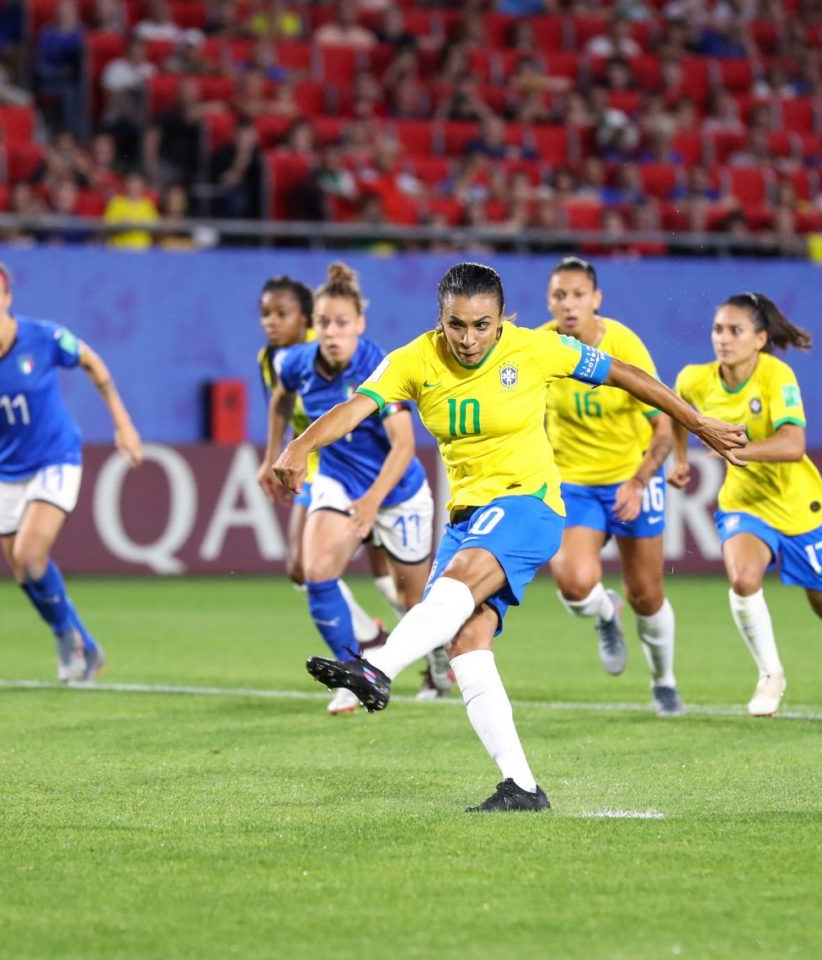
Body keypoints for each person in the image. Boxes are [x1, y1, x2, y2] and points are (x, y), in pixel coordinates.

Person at [275, 263, 746, 812]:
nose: (469, 338)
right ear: (440, 319)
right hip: (466, 518)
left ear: (502, 320)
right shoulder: (413, 360)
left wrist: (697, 422)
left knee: (455, 586)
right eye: (456, 325)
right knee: (465, 642)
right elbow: (355, 409)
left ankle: (377, 666)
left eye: (482, 325)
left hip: (528, 503)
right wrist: (300, 445)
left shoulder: (536, 348)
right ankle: (521, 787)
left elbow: (624, 374)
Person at [671, 293, 822, 727]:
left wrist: (738, 451)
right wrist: (680, 459)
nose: (723, 339)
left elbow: (793, 445)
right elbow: (679, 412)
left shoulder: (776, 375)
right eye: (718, 329)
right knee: (743, 578)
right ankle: (770, 673)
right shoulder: (696, 379)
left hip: (798, 508)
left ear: (760, 339)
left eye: (735, 331)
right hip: (745, 503)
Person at [0, 256, 142, 683]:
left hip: (55, 456)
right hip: (5, 469)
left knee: (29, 554)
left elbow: (93, 362)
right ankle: (83, 644)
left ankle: (66, 639)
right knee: (23, 573)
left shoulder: (44, 337)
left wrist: (123, 423)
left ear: (8, 298)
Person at [252, 275, 453, 695]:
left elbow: (404, 446)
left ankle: (438, 658)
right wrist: (273, 454)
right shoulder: (295, 362)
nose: (332, 332)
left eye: (342, 323)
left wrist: (372, 502)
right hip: (339, 480)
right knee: (315, 572)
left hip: (396, 491)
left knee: (412, 600)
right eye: (324, 323)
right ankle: (352, 674)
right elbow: (281, 398)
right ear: (314, 325)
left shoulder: (379, 366)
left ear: (360, 324)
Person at [538, 257, 682, 716]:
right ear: (549, 301)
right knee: (574, 584)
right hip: (574, 484)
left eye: (578, 295)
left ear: (596, 299)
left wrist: (639, 480)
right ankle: (606, 612)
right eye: (560, 295)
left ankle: (664, 681)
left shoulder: (625, 345)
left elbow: (663, 428)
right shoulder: (540, 348)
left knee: (647, 595)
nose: (569, 304)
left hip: (631, 477)